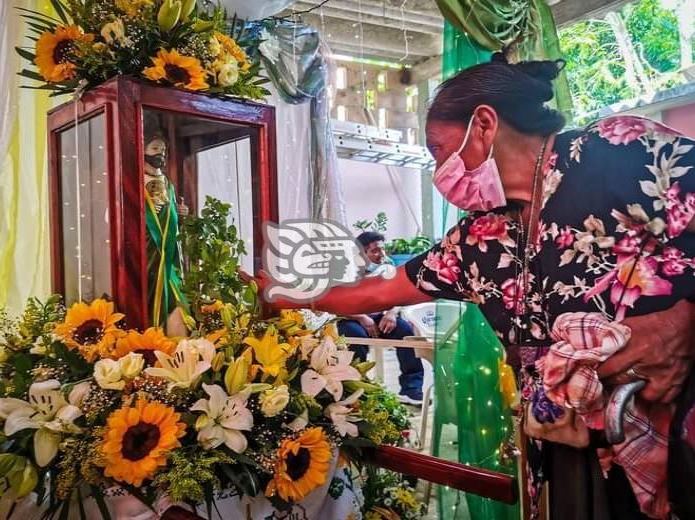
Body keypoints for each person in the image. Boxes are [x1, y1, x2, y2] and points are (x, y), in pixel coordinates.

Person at [259, 54, 695, 520]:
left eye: (439, 150)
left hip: (674, 430)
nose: (439, 171)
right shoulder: (479, 238)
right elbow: (380, 290)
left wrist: (683, 320)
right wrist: (292, 292)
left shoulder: (615, 150)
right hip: (568, 448)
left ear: (484, 124)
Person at [337, 231, 425, 406]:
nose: (382, 255)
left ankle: (412, 389)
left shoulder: (389, 268)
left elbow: (402, 295)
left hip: (381, 316)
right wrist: (362, 318)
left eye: (383, 249)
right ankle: (357, 388)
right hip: (353, 318)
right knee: (356, 339)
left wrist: (392, 313)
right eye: (375, 251)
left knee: (406, 333)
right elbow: (336, 304)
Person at [143, 133, 189, 330]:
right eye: (154, 149)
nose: (160, 153)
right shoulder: (133, 181)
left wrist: (182, 214)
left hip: (169, 254)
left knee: (175, 299)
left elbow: (170, 217)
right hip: (147, 251)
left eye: (163, 150)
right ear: (142, 151)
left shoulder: (167, 183)